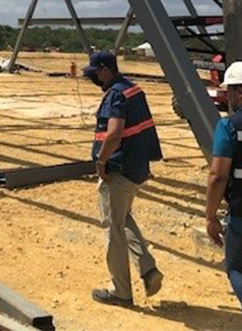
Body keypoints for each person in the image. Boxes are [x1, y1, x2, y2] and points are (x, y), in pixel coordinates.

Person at [83, 51, 164, 306]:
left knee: (113, 227)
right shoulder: (134, 90)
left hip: (118, 170)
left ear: (105, 69)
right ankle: (148, 269)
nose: (94, 79)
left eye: (95, 73)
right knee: (123, 218)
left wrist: (101, 160)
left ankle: (120, 292)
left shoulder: (116, 95)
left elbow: (115, 133)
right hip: (136, 169)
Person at [206, 61, 242, 304]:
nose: (227, 96)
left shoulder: (229, 126)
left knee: (236, 269)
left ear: (239, 92)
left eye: (229, 91)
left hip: (241, 214)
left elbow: (218, 176)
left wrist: (211, 216)